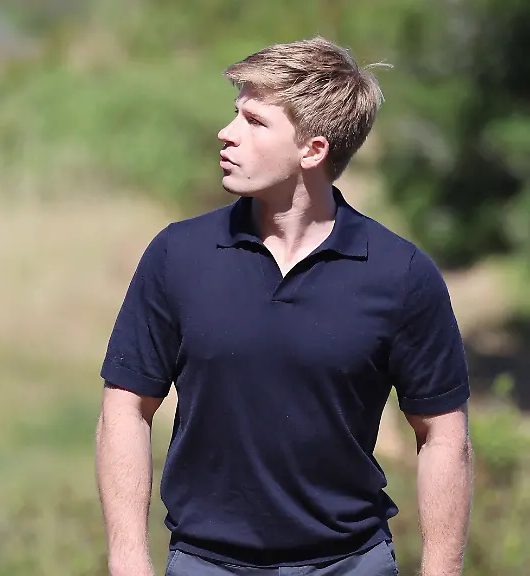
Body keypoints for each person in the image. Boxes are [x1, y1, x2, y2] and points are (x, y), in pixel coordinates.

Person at [95, 37, 473, 576]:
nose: (227, 134)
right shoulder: (177, 255)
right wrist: (129, 561)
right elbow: (126, 408)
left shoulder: (401, 274)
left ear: (313, 150)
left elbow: (443, 435)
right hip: (206, 562)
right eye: (234, 114)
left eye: (255, 121)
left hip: (350, 563)